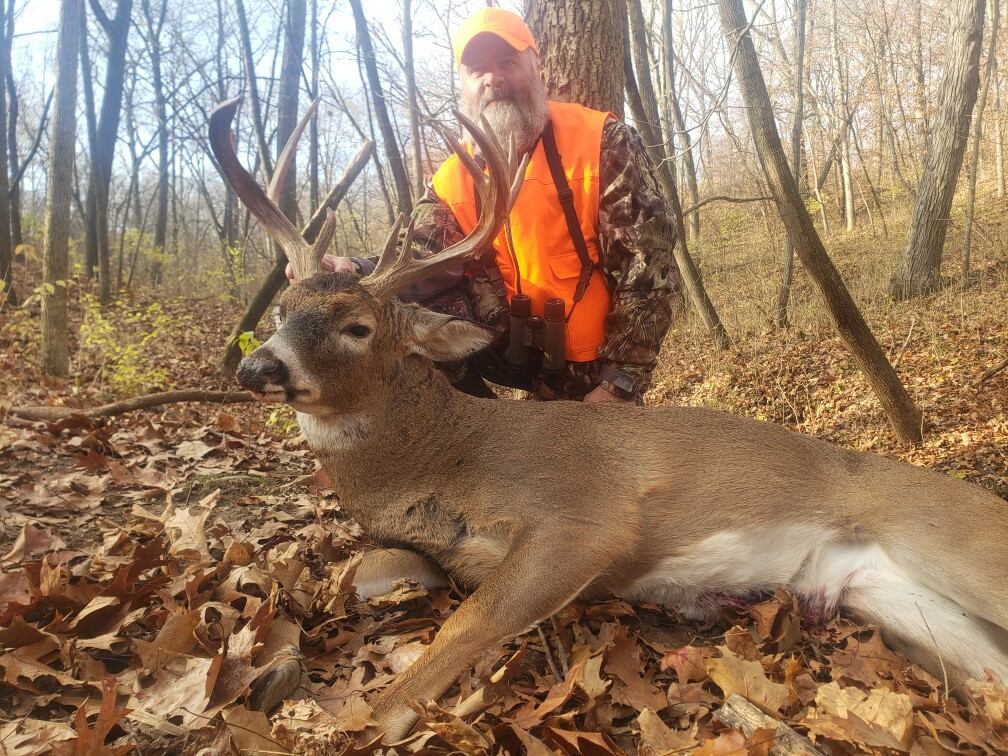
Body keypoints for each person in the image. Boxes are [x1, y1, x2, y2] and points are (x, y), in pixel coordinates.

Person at [288, 8, 683, 404]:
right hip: (507, 348)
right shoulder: (453, 176)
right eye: (477, 69)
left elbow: (650, 270)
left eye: (508, 62)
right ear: (463, 82)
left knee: (600, 440)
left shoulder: (601, 142)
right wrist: (354, 269)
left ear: (536, 65)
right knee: (403, 312)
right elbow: (422, 251)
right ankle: (463, 424)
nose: (493, 78)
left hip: (591, 361)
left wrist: (618, 383)